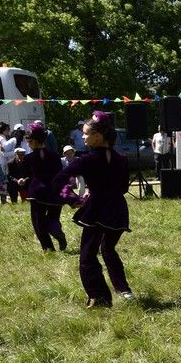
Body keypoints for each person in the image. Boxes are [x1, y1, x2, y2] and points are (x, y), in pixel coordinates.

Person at [52, 111, 134, 308]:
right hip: (117, 209)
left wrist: (72, 199)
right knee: (108, 249)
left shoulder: (86, 160)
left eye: (86, 134)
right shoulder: (121, 158)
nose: (82, 137)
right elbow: (123, 188)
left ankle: (100, 298)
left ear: (98, 136)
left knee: (87, 256)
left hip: (97, 210)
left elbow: (59, 181)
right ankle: (124, 290)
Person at [24, 122, 67, 251]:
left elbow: (28, 176)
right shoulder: (55, 156)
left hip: (37, 193)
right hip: (55, 192)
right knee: (53, 219)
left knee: (38, 222)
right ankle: (56, 230)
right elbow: (60, 173)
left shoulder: (29, 158)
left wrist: (23, 181)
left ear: (34, 141)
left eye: (28, 141)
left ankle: (48, 249)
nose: (27, 143)